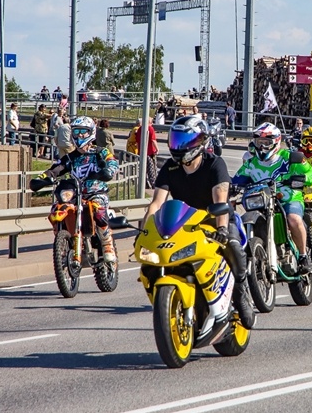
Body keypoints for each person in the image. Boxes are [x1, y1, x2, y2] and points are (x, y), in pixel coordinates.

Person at [142, 116, 255, 329]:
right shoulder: (169, 167)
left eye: (184, 141)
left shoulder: (214, 164)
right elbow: (156, 203)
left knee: (232, 245)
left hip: (214, 219)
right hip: (184, 223)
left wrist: (221, 228)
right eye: (175, 141)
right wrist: (145, 231)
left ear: (199, 142)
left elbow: (220, 198)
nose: (179, 146)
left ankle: (241, 294)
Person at [232, 122, 312, 273]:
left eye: (267, 143)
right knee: (241, 219)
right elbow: (237, 180)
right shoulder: (251, 164)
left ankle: (303, 256)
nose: (262, 147)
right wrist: (228, 187)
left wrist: (301, 179)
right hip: (261, 200)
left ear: (276, 142)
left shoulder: (289, 157)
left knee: (293, 219)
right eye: (259, 142)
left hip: (288, 197)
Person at [31, 116, 120, 263]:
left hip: (96, 192)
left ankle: (107, 244)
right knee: (56, 209)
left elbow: (112, 162)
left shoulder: (100, 152)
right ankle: (64, 242)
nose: (79, 135)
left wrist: (107, 171)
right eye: (76, 131)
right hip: (75, 194)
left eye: (83, 132)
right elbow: (55, 169)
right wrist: (42, 178)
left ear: (91, 133)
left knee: (98, 211)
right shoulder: (70, 158)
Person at [136, 117, 159, 188]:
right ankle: (154, 184)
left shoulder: (140, 129)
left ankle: (145, 184)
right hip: (150, 152)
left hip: (141, 152)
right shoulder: (150, 129)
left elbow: (137, 140)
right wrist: (157, 149)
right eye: (152, 122)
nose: (152, 124)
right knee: (152, 169)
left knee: (144, 169)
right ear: (149, 122)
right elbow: (153, 140)